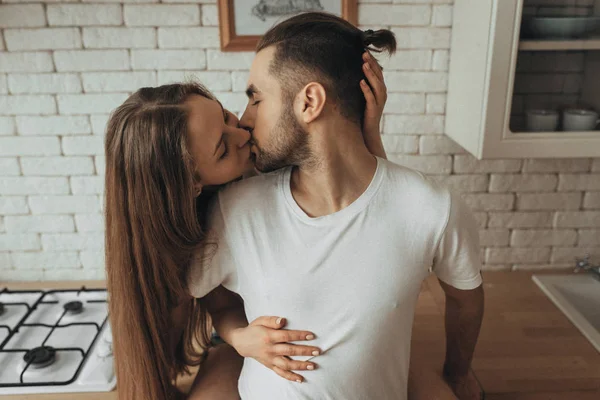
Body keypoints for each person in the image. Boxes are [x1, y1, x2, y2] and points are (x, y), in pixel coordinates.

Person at [188, 11, 485, 400]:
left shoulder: (431, 209)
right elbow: (207, 292)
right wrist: (237, 336)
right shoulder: (235, 208)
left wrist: (457, 374)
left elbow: (466, 298)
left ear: (309, 101)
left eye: (256, 99)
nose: (244, 121)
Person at [103, 31, 389, 400]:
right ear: (191, 185)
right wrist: (240, 338)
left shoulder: (277, 157)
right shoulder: (177, 249)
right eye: (223, 149)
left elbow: (373, 212)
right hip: (241, 333)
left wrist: (369, 134)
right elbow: (203, 304)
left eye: (225, 115)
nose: (242, 131)